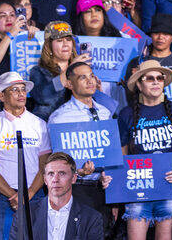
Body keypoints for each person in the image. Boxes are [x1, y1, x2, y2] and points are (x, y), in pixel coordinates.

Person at [117, 60, 172, 240]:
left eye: (159, 78)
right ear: (139, 85)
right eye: (150, 78)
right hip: (138, 184)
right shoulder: (126, 114)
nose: (156, 82)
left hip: (168, 184)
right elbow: (123, 153)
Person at [47, 61, 115, 230]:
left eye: (91, 76)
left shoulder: (105, 113)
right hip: (75, 190)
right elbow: (55, 163)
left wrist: (114, 195)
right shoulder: (60, 118)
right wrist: (77, 172)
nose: (90, 80)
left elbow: (112, 154)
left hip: (102, 190)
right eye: (82, 77)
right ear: (69, 84)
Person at [0, 71, 51, 240]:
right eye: (15, 90)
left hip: (34, 194)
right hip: (2, 197)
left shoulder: (39, 124)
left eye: (23, 89)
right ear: (2, 95)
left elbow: (44, 166)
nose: (21, 94)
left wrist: (28, 194)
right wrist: (12, 195)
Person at [9, 151, 104, 240]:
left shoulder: (91, 218)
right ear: (45, 179)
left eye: (62, 173)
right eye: (51, 174)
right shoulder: (25, 215)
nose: (55, 179)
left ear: (73, 178)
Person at [29, 22, 91, 120]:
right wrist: (70, 70)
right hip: (49, 126)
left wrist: (96, 89)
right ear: (49, 46)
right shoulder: (38, 71)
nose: (66, 44)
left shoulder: (82, 70)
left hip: (78, 126)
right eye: (59, 40)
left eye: (68, 39)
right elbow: (44, 96)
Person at [125, 14, 172, 83]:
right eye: (156, 33)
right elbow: (128, 91)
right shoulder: (137, 62)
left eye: (165, 34)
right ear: (151, 36)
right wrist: (134, 80)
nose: (160, 37)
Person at [0, 0, 35, 82]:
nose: (8, 19)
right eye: (3, 15)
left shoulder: (23, 41)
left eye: (12, 15)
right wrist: (10, 35)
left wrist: (37, 37)